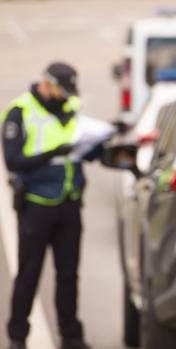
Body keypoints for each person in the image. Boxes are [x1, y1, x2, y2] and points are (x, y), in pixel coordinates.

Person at [1, 62, 99, 349]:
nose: (67, 96)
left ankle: (71, 336)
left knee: (68, 275)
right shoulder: (20, 111)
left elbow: (81, 150)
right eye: (62, 90)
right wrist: (54, 152)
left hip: (69, 202)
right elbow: (13, 161)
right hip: (37, 205)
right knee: (29, 273)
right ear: (47, 83)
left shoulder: (70, 106)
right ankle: (17, 336)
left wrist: (102, 144)